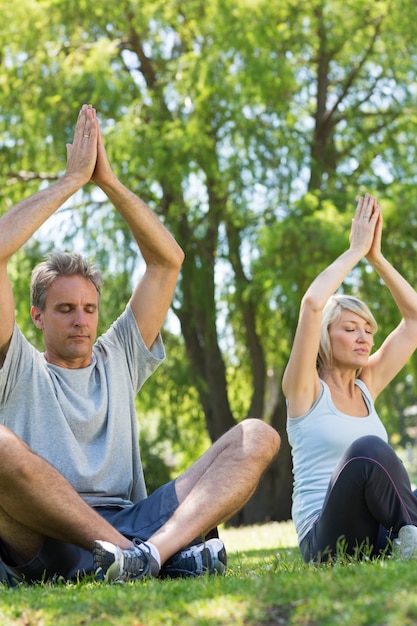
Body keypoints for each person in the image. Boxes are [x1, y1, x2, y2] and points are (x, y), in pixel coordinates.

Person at [0, 104, 281, 585]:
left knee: (258, 434)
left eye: (89, 308)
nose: (81, 320)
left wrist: (107, 180)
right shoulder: (18, 364)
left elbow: (168, 261)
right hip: (48, 537)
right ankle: (143, 558)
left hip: (134, 523)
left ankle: (152, 555)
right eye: (65, 309)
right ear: (37, 316)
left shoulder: (119, 356)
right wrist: (71, 182)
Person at [282, 193, 417, 563]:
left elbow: (415, 320)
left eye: (368, 330)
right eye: (351, 328)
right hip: (325, 540)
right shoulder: (304, 389)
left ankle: (411, 537)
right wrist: (356, 250)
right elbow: (312, 303)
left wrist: (377, 258)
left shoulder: (366, 384)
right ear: (326, 335)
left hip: (378, 534)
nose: (364, 338)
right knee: (367, 450)